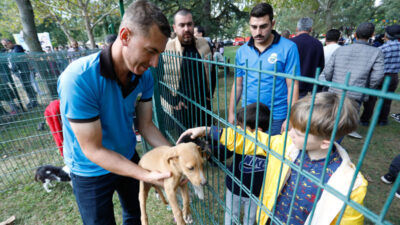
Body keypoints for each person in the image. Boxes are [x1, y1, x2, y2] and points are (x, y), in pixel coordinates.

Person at [57, 1, 173, 224]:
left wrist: (175, 155)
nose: (155, 63)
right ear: (125, 35)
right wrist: (146, 175)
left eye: (159, 53)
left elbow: (146, 125)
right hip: (89, 168)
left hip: (127, 154)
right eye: (150, 51)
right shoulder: (79, 79)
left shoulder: (144, 75)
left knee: (134, 215)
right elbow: (94, 149)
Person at [178, 102, 271, 225]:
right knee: (231, 214)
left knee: (251, 217)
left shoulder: (270, 147)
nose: (238, 130)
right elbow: (223, 151)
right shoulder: (239, 142)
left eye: (242, 128)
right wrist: (208, 152)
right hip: (234, 188)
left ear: (257, 131)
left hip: (256, 193)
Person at [228, 3, 300, 135]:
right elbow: (238, 84)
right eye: (254, 27)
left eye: (263, 26)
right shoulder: (242, 52)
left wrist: (291, 117)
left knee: (272, 153)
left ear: (272, 24)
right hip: (248, 114)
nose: (258, 32)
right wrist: (231, 112)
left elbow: (293, 86)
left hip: (276, 115)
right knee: (248, 152)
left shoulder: (289, 48)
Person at [320, 22, 384, 139]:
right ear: (372, 35)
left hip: (336, 89)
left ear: (355, 34)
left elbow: (328, 71)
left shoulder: (340, 50)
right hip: (356, 91)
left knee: (332, 118)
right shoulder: (376, 52)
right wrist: (368, 88)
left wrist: (331, 82)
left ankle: (331, 142)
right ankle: (337, 140)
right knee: (345, 120)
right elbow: (378, 76)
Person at [162, 8, 215, 134]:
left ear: (193, 25)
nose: (186, 29)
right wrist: (173, 101)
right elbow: (158, 79)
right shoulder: (166, 48)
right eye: (182, 25)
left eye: (189, 24)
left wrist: (209, 94)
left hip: (203, 104)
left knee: (207, 140)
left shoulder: (204, 44)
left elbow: (212, 70)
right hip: (182, 107)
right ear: (175, 27)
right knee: (186, 145)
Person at [360, 24, 400, 126]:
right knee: (387, 99)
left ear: (387, 35)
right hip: (393, 76)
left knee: (371, 98)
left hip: (379, 74)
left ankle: (365, 120)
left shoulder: (382, 48)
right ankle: (382, 120)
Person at [291, 17, 325, 97]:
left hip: (292, 84)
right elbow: (321, 65)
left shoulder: (290, 43)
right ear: (310, 29)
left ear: (297, 29)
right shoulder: (318, 44)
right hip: (310, 87)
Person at [1, 38, 38, 109]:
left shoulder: (17, 47)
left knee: (27, 86)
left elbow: (16, 58)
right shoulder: (11, 50)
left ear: (10, 42)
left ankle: (34, 101)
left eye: (6, 45)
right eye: (4, 46)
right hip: (18, 72)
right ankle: (32, 100)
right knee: (26, 87)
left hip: (23, 70)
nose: (5, 47)